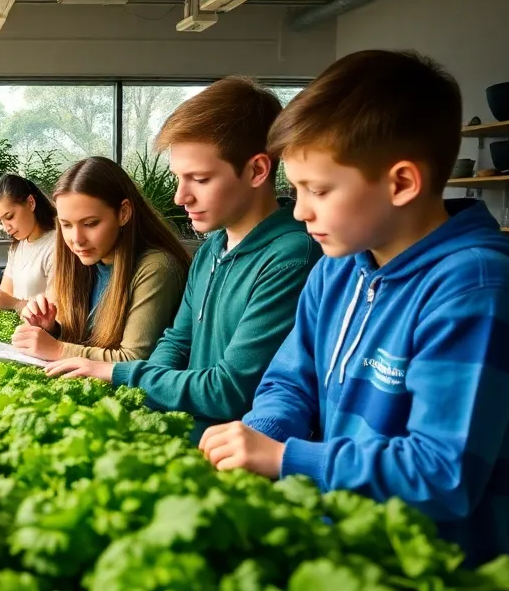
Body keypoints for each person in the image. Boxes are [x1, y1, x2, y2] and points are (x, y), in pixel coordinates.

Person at [199, 49, 509, 566]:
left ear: (401, 182)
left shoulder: (475, 291)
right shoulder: (336, 267)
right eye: (296, 189)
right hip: (340, 547)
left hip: (425, 579)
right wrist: (258, 434)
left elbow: (442, 474)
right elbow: (290, 382)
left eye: (318, 189)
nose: (300, 211)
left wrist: (286, 458)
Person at [46, 77, 320, 441]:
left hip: (233, 457)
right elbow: (175, 343)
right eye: (179, 178)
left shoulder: (291, 256)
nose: (180, 197)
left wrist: (119, 374)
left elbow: (229, 391)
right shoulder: (210, 250)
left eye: (200, 179)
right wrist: (137, 399)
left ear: (257, 170)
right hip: (180, 432)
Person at [12, 156, 189, 363]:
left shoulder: (157, 267)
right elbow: (82, 341)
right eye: (66, 225)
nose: (76, 239)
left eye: (90, 223)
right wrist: (51, 328)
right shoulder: (79, 262)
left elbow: (134, 360)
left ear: (123, 213)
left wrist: (58, 350)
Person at [0, 174, 57, 313]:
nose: (6, 227)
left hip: (43, 333)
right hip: (19, 329)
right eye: (0, 221)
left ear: (31, 203)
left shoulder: (56, 246)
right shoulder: (17, 246)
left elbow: (57, 313)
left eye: (9, 217)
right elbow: (5, 294)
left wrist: (15, 304)